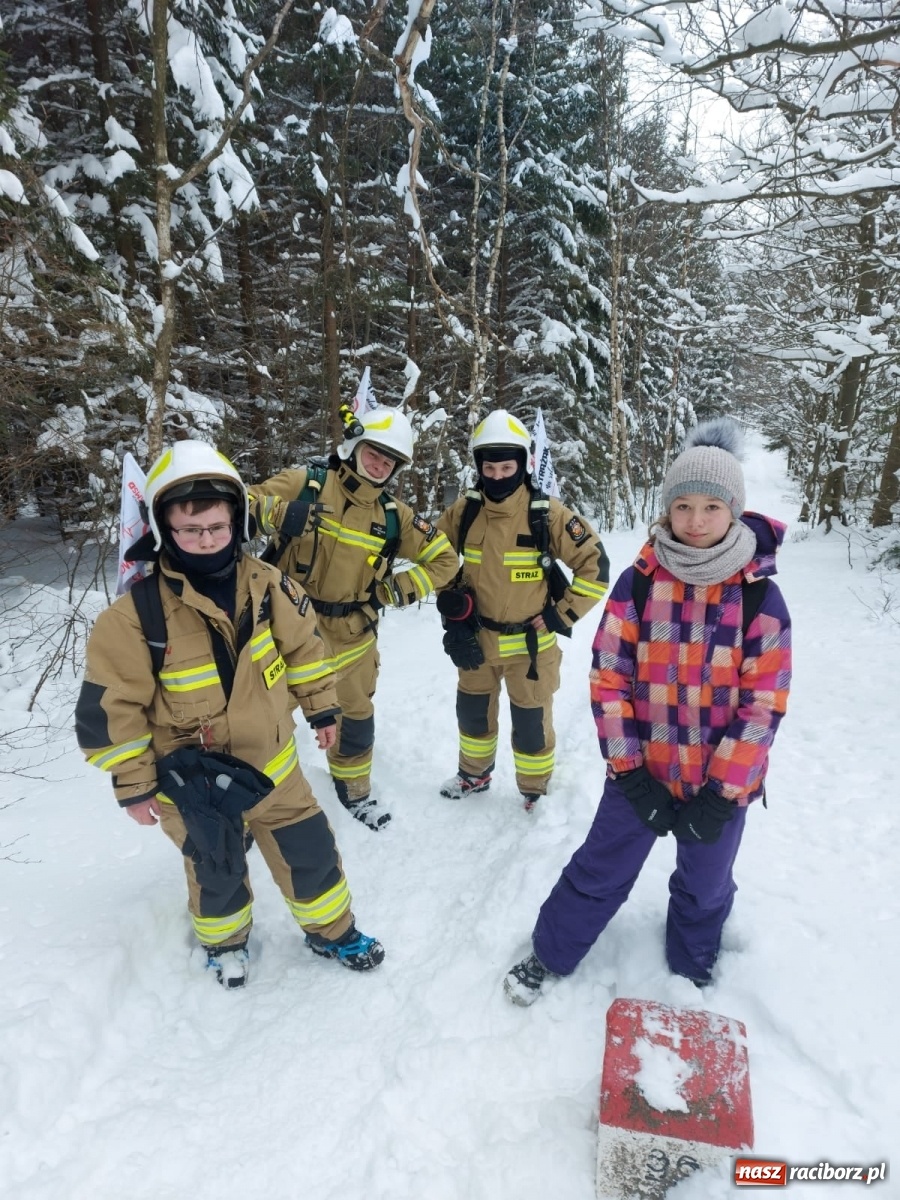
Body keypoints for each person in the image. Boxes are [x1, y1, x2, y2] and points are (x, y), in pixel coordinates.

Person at [75, 441, 385, 989]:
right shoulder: (132, 618)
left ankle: (332, 931)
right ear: (162, 529)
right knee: (216, 872)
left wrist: (323, 711)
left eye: (217, 527)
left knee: (311, 853)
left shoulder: (272, 587)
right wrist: (135, 786)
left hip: (274, 767)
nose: (206, 540)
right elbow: (112, 711)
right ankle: (226, 945)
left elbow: (307, 650)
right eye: (190, 530)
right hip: (196, 785)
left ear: (237, 521)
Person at [503, 417, 792, 1004]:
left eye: (711, 507)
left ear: (733, 510)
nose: (694, 521)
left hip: (720, 786)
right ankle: (551, 952)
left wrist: (720, 794)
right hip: (642, 773)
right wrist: (630, 772)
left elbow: (764, 704)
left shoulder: (760, 593)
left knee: (705, 887)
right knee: (600, 870)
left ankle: (690, 971)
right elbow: (609, 677)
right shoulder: (639, 583)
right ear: (666, 509)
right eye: (682, 506)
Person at [248, 405, 459, 831]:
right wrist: (274, 513)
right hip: (287, 634)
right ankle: (250, 808)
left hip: (354, 636)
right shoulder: (305, 484)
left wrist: (404, 587)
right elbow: (235, 505)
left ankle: (354, 789)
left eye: (389, 461)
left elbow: (446, 559)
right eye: (372, 454)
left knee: (355, 717)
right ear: (353, 447)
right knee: (263, 725)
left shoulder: (395, 516)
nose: (379, 465)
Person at [435, 410, 610, 811]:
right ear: (479, 466)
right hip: (475, 641)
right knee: (473, 715)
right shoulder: (465, 512)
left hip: (530, 647)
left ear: (523, 465)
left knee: (531, 726)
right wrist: (452, 610)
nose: (497, 476)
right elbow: (436, 558)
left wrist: (559, 616)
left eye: (507, 466)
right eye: (489, 467)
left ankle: (535, 790)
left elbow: (595, 566)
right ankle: (474, 775)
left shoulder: (546, 513)